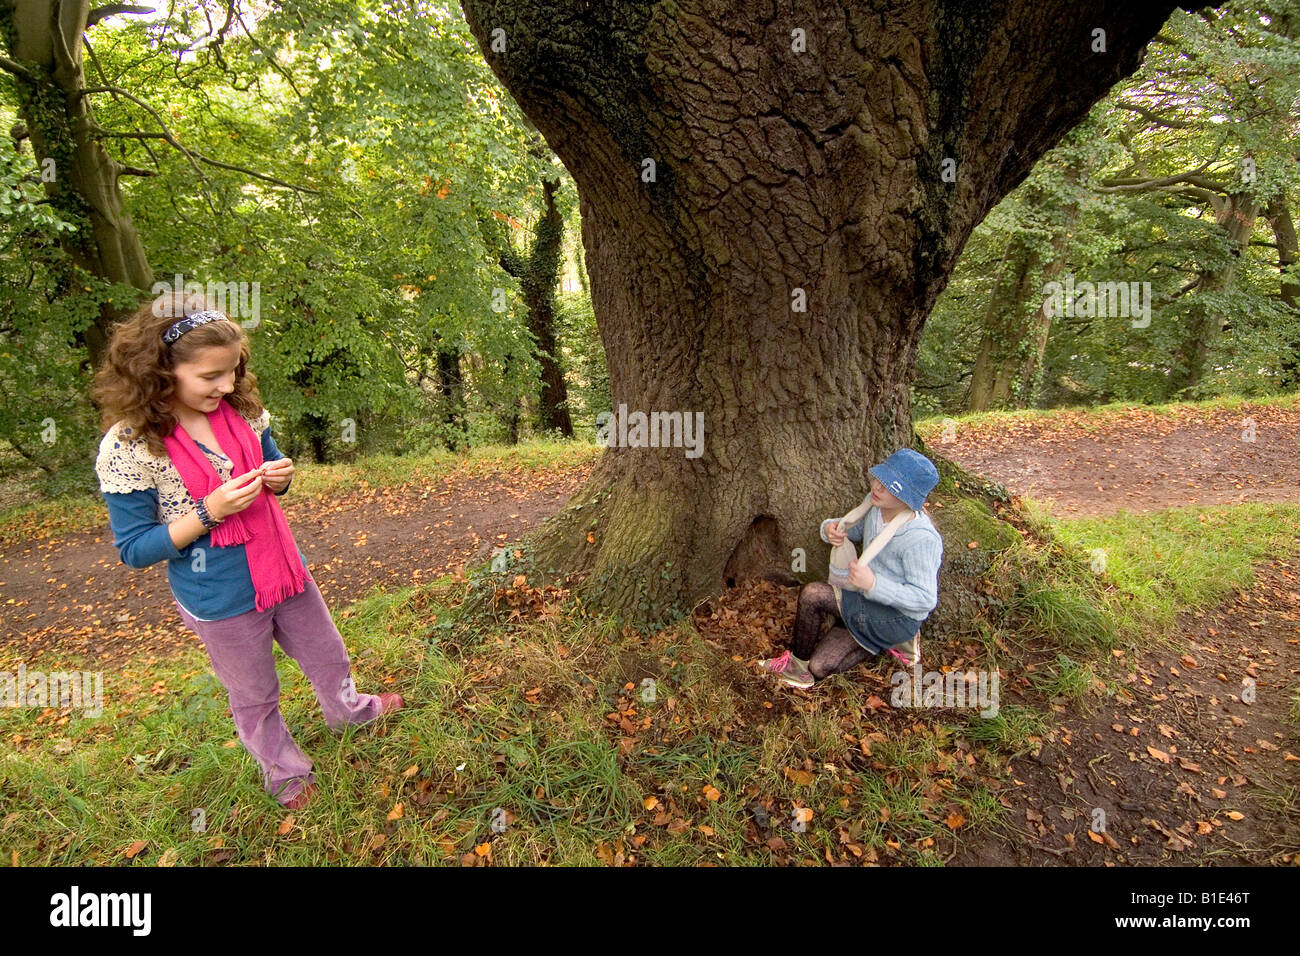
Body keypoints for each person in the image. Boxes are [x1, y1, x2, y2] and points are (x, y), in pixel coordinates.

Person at [92, 293, 403, 809]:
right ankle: (284, 771)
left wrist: (280, 477)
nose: (227, 385)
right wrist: (208, 510)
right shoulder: (129, 447)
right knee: (255, 693)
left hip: (283, 568)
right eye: (210, 376)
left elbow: (273, 463)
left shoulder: (243, 413)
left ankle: (351, 711)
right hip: (218, 595)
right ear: (162, 371)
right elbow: (134, 549)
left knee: (329, 656)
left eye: (233, 371)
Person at [759, 448, 943, 689]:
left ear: (907, 499)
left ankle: (797, 667)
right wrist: (831, 529)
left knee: (814, 595)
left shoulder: (921, 539)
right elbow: (852, 530)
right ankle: (818, 660)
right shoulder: (876, 509)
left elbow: (925, 599)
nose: (877, 487)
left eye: (888, 486)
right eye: (879, 479)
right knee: (821, 667)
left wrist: (874, 584)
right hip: (866, 599)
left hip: (893, 617)